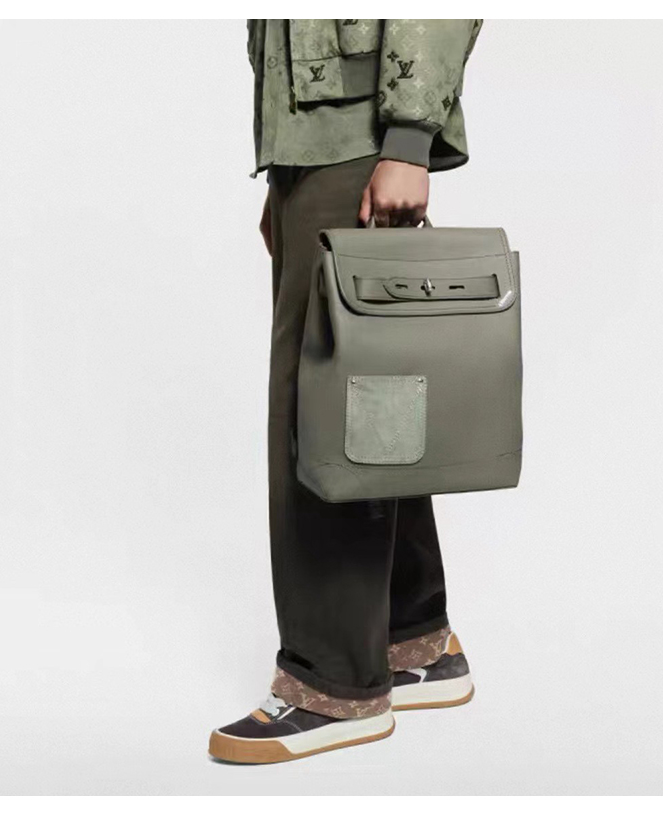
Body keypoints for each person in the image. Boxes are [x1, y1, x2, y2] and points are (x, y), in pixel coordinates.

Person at [209, 19, 483, 764]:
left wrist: (408, 144)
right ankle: (412, 641)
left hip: (360, 138)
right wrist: (289, 165)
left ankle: (332, 684)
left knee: (322, 411)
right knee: (372, 397)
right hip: (320, 143)